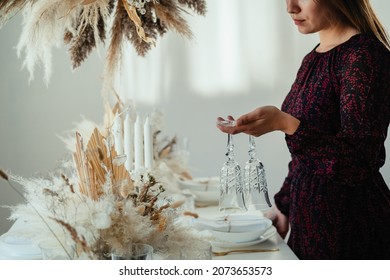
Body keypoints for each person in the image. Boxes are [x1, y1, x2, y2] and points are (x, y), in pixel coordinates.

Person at [217, 0, 390, 259]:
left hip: (350, 230)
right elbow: (306, 159)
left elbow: (357, 162)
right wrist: (283, 205)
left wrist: (286, 124)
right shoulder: (313, 58)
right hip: (309, 224)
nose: (290, 8)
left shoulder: (364, 56)